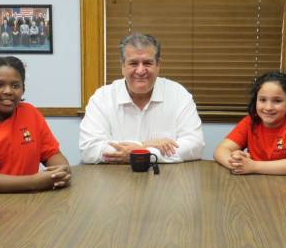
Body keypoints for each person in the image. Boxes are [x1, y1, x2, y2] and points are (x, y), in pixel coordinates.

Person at [0, 55, 71, 199]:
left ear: (23, 88)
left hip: (24, 200)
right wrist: (35, 182)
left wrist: (62, 171)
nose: (8, 91)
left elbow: (52, 154)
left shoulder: (30, 113)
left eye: (15, 85)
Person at [79, 33, 205, 164]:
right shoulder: (102, 98)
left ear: (158, 65)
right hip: (114, 178)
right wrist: (145, 145)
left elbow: (195, 145)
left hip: (166, 179)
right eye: (133, 63)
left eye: (147, 63)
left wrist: (145, 153)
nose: (140, 70)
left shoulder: (178, 94)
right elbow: (89, 150)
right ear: (122, 66)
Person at [213, 71, 286, 175]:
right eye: (262, 100)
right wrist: (237, 163)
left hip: (285, 187)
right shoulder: (250, 121)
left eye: (277, 101)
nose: (268, 108)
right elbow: (220, 150)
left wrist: (253, 166)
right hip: (253, 184)